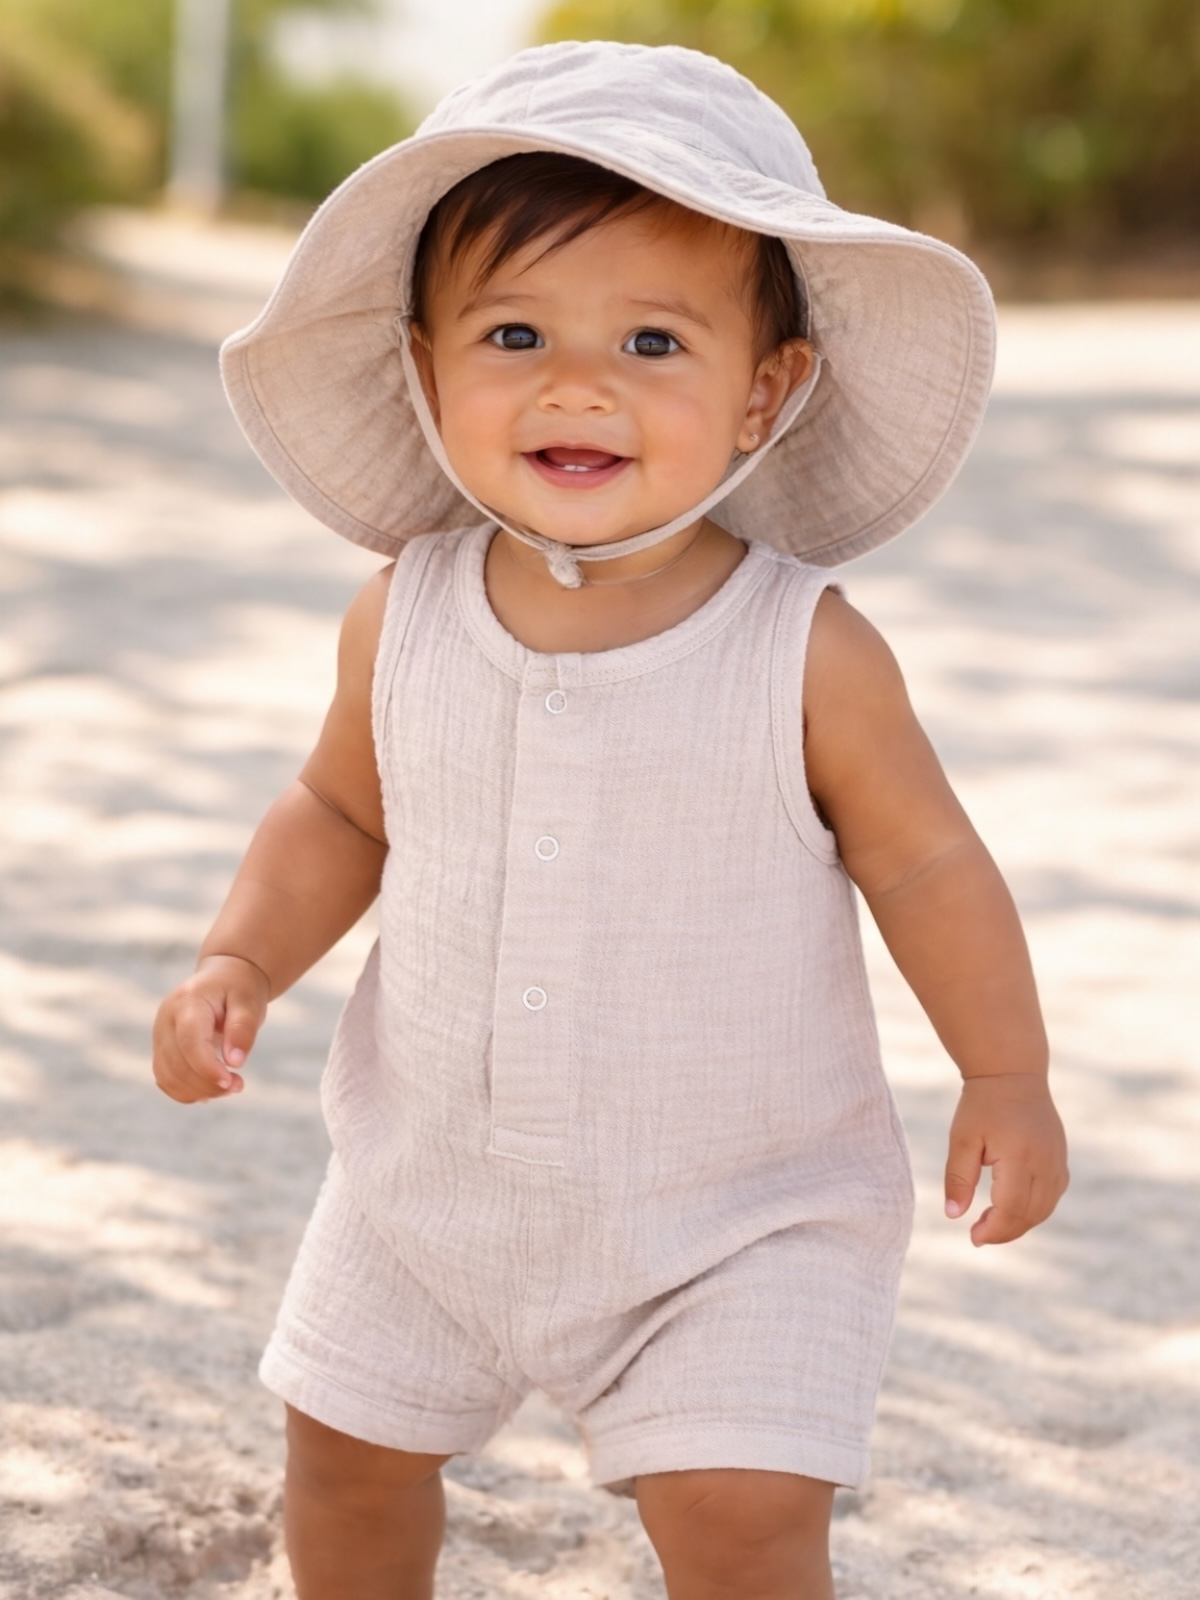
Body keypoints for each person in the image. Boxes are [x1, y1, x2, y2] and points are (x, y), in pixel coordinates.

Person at [152, 40, 1068, 1600]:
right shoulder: (407, 612)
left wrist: (1008, 1071)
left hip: (738, 1215)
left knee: (737, 1515)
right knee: (344, 1463)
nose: (578, 384)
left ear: (767, 390)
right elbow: (336, 811)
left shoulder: (805, 651)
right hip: (425, 1188)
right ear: (424, 369)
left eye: (654, 340)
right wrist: (238, 957)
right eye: (514, 332)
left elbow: (928, 863)